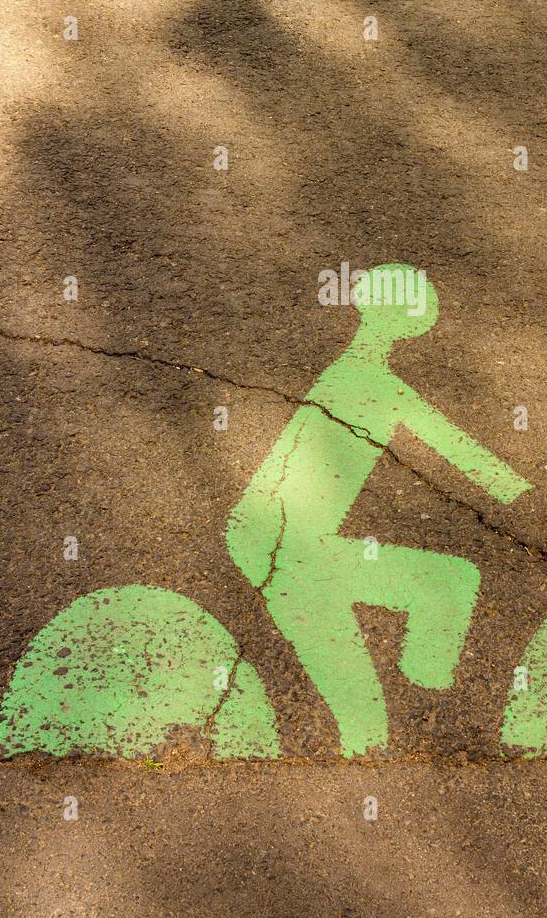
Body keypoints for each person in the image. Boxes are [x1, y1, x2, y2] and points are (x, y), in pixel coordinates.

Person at [225, 263, 530, 756]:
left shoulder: (353, 374)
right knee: (449, 584)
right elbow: (468, 459)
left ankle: (417, 697)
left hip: (277, 539)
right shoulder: (374, 384)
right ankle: (428, 695)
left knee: (363, 709)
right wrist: (528, 499)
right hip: (286, 546)